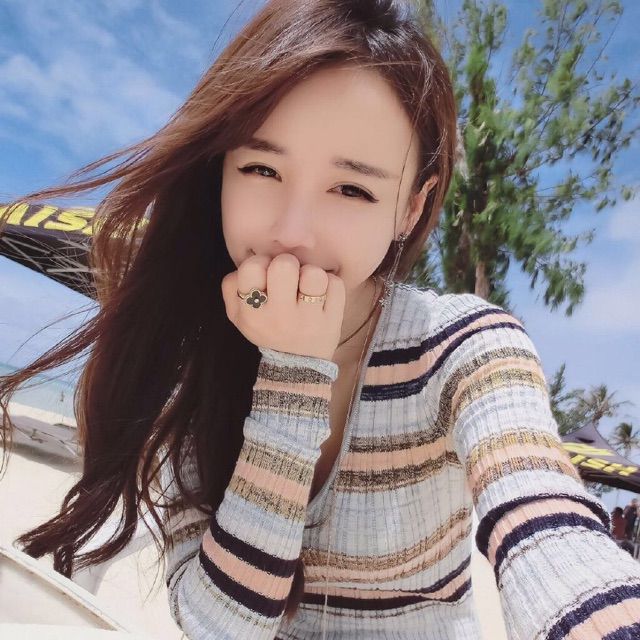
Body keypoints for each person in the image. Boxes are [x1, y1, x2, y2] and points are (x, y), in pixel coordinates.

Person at [1, 1, 640, 639]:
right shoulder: (192, 368)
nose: (293, 232)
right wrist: (293, 376)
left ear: (410, 209)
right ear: (219, 175)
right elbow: (217, 625)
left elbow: (544, 525)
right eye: (261, 169)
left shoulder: (464, 346)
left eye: (352, 189)